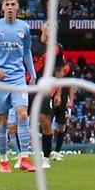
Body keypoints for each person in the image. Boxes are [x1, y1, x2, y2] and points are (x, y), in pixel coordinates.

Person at [0, 0, 37, 173]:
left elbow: (27, 52)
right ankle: (3, 160)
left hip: (18, 78)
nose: (11, 7)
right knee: (2, 122)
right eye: (7, 4)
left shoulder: (24, 28)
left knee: (22, 115)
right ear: (2, 7)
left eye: (13, 4)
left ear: (18, 7)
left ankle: (25, 158)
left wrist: (33, 74)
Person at [33, 21, 76, 166]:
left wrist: (58, 93)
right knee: (19, 120)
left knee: (45, 120)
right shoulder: (31, 43)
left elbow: (59, 72)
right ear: (42, 28)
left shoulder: (57, 48)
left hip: (46, 87)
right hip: (27, 86)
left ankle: (45, 158)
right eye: (49, 26)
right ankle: (22, 156)